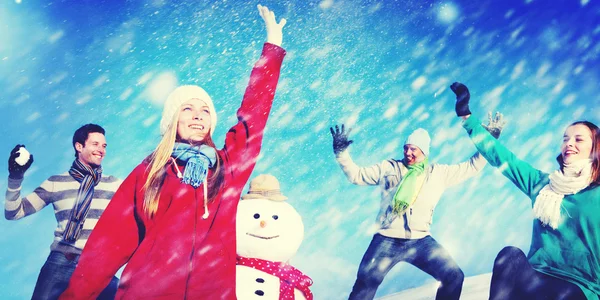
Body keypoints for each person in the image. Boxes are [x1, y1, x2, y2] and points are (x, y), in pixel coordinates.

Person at [60, 4, 287, 299]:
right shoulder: (151, 171)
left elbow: (253, 117)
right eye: (188, 109)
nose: (198, 115)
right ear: (172, 121)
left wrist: (272, 48)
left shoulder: (226, 167)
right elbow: (108, 243)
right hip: (147, 291)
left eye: (205, 110)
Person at [330, 114, 504, 300]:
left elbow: (472, 166)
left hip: (420, 241)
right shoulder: (390, 168)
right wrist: (341, 152)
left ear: (424, 151)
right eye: (406, 148)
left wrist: (488, 139)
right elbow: (357, 175)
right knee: (364, 284)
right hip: (386, 239)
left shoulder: (438, 173)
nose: (408, 153)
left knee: (454, 276)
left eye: (413, 149)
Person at [452, 82, 599, 300]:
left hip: (580, 286)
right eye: (566, 138)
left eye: (579, 139)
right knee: (509, 256)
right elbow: (502, 157)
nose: (569, 143)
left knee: (562, 295)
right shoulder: (542, 185)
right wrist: (467, 117)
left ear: (595, 147)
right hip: (538, 277)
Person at [5, 124, 121, 300]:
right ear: (79, 146)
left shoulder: (114, 185)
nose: (101, 150)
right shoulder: (56, 183)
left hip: (97, 265)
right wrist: (15, 176)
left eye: (104, 146)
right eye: (95, 144)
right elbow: (14, 213)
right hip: (60, 263)